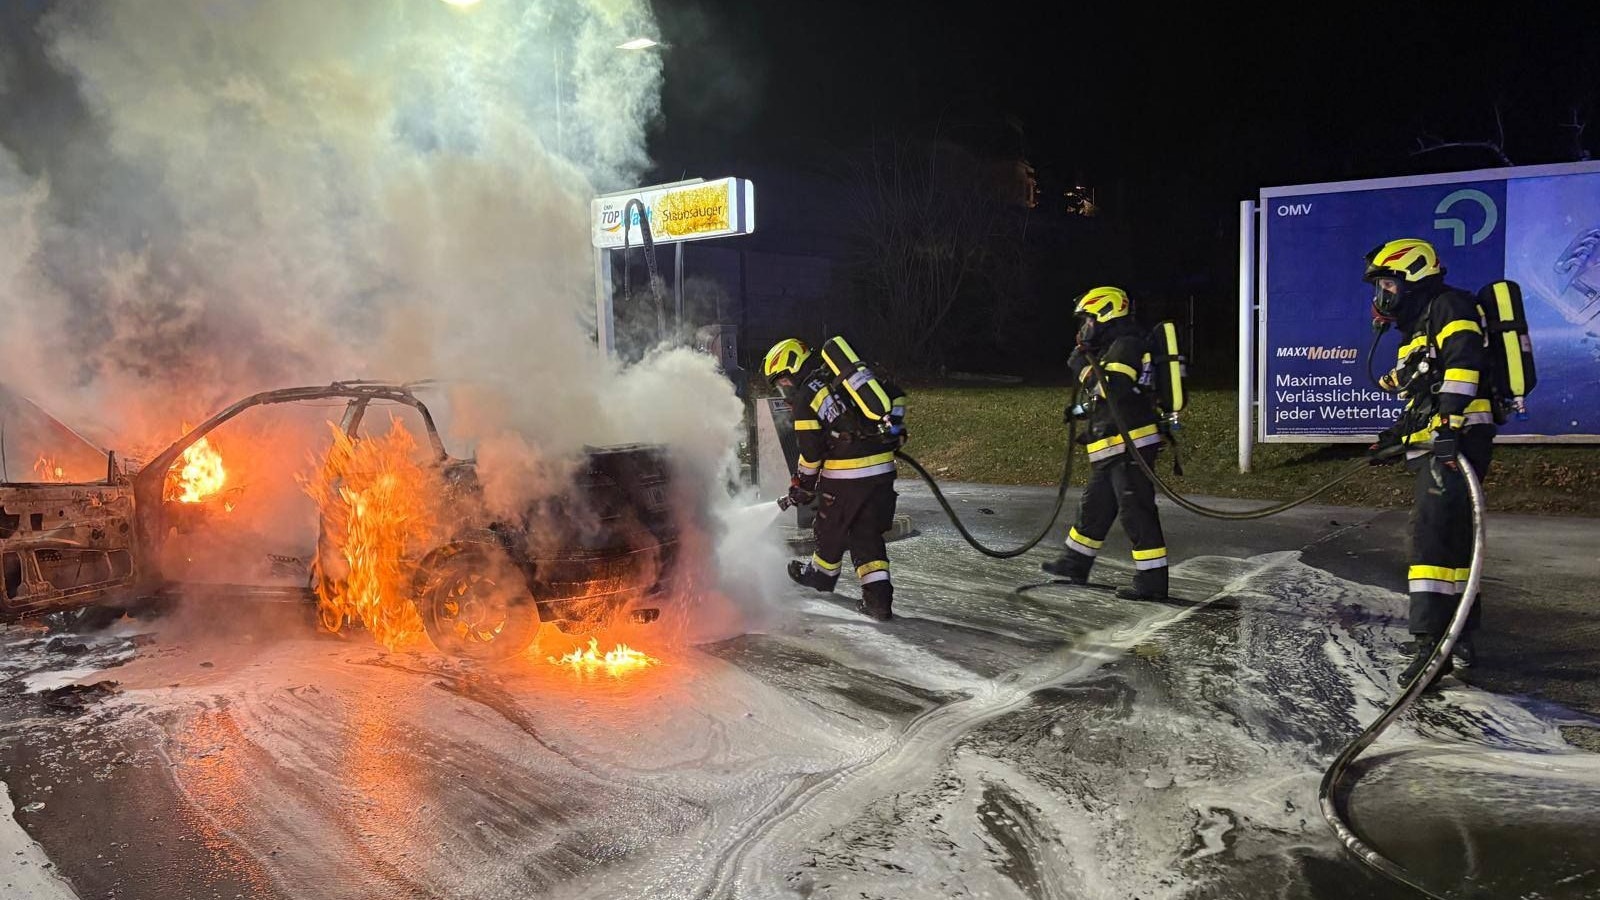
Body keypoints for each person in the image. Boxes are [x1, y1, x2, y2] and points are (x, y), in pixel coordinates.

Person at [1363, 237, 1496, 689]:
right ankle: (1459, 638)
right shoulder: (1414, 331)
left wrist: (1449, 426)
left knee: (1433, 544)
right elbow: (1417, 402)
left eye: (1387, 283)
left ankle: (1429, 646)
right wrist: (1392, 438)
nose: (1382, 295)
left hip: (1457, 443)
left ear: (1413, 276)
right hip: (1441, 445)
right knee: (1457, 546)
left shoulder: (1449, 305)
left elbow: (1463, 366)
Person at [1041, 286, 1171, 601]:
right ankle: (1075, 564)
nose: (1084, 327)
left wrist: (1081, 366)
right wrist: (1080, 410)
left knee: (1135, 512)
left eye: (1088, 319)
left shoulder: (1126, 344)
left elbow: (1115, 389)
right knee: (1094, 509)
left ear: (1104, 313)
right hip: (1112, 446)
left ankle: (1153, 582)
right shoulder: (1113, 346)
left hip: (1130, 447)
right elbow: (1105, 400)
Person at [763, 336, 907, 621]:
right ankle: (878, 600)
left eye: (783, 382)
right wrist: (897, 426)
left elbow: (810, 453)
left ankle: (821, 577)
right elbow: (896, 394)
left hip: (844, 477)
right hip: (882, 473)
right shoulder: (846, 377)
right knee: (867, 534)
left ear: (794, 366)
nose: (785, 390)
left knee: (830, 529)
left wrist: (801, 486)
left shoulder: (807, 395)